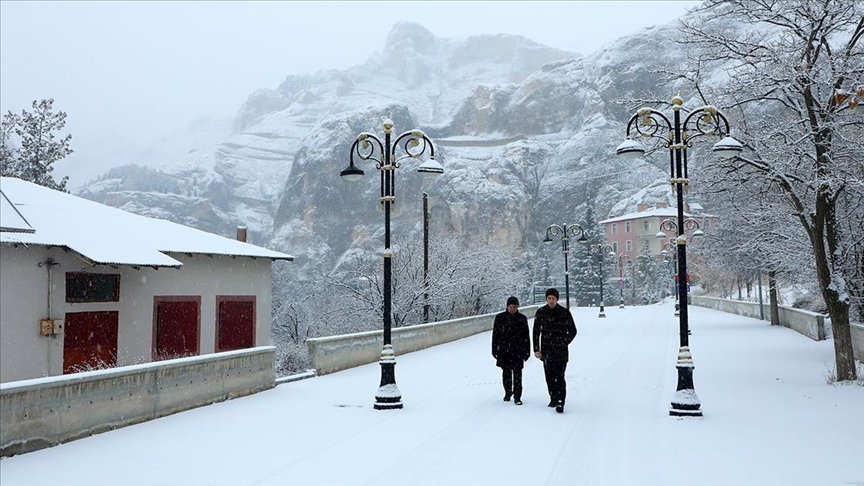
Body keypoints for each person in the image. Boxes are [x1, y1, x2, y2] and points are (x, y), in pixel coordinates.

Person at [533, 288, 577, 413]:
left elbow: (573, 331)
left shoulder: (564, 313)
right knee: (549, 376)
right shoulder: (541, 312)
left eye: (553, 298)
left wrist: (563, 342)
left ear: (557, 299)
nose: (551, 301)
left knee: (560, 376)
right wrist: (536, 349)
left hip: (561, 352)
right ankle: (553, 397)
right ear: (546, 299)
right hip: (546, 351)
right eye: (549, 298)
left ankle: (560, 401)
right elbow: (536, 332)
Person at [491, 296, 530, 405]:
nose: (512, 308)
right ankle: (508, 393)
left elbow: (526, 336)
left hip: (518, 350)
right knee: (506, 373)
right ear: (507, 306)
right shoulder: (500, 318)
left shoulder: (522, 318)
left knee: (518, 374)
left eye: (515, 306)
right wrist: (494, 350)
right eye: (511, 306)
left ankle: (517, 396)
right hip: (504, 350)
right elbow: (495, 336)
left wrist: (527, 351)